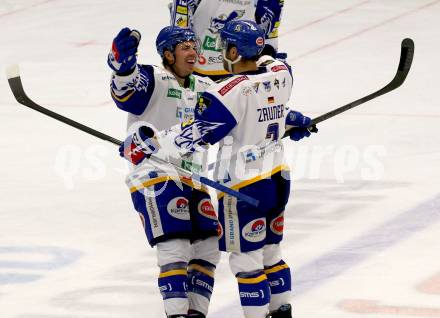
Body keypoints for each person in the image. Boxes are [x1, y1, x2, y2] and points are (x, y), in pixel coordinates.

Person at [126, 20, 316, 318]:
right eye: (185, 47)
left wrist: (150, 143)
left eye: (224, 45)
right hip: (278, 178)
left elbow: (197, 134)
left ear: (232, 51)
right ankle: (280, 312)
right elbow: (266, 104)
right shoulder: (281, 75)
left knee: (247, 261)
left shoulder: (226, 92)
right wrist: (290, 120)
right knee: (270, 253)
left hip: (245, 184)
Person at [107, 26, 220, 318]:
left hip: (193, 178)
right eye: (184, 47)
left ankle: (196, 314)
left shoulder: (205, 87)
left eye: (194, 46)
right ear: (168, 54)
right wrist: (123, 68)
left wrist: (282, 123)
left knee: (207, 247)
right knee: (176, 246)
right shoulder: (154, 78)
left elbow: (238, 112)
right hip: (156, 175)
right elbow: (127, 94)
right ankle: (176, 315)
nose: (193, 52)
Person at [169, 0, 285, 79]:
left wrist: (269, 58)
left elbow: (270, 26)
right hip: (198, 67)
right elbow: (181, 17)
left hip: (243, 69)